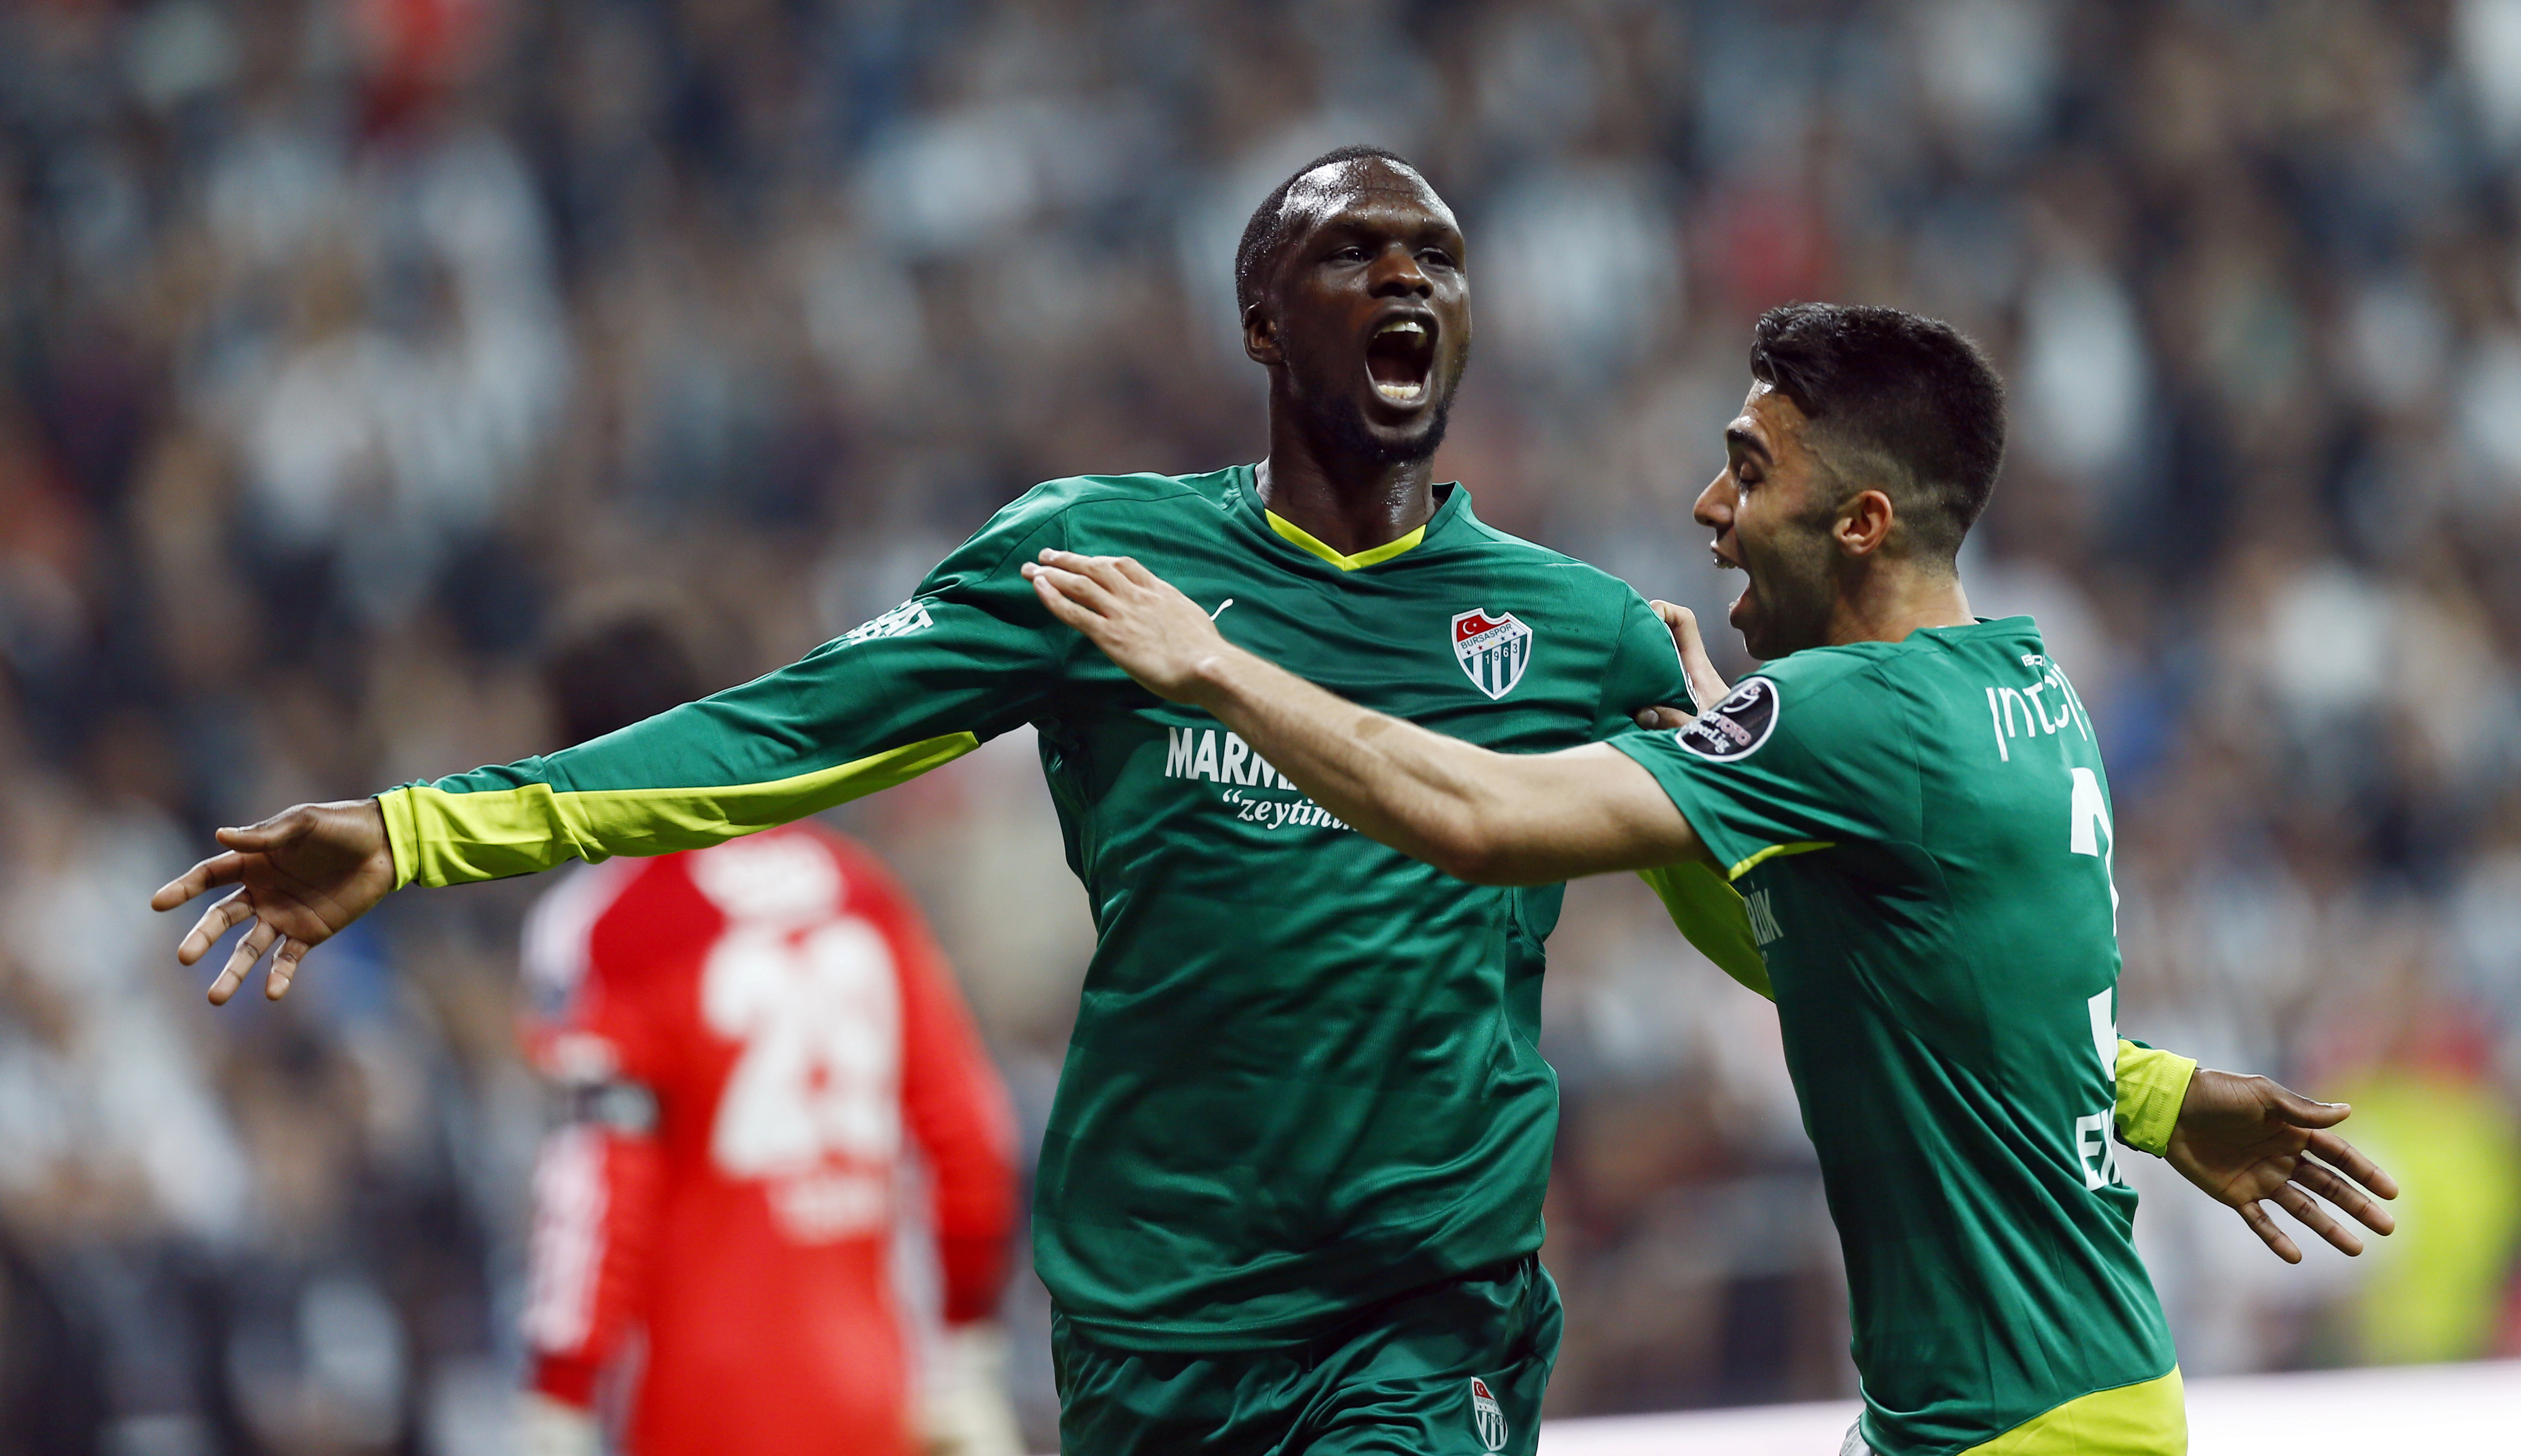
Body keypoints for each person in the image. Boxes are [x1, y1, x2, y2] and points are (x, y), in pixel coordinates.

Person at [152, 155, 2369, 1454]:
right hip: (1148, 1322)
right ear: (1260, 315)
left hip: (1424, 1313)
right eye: (1356, 253)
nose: (1414, 280)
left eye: (1445, 260)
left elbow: (1819, 935)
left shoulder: (1582, 633)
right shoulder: (1109, 570)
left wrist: (2150, 1094)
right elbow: (784, 730)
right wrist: (431, 827)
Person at [1013, 303, 2402, 1455]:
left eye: (1748, 467)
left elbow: (1482, 818)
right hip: (2021, 1399)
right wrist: (2153, 1095)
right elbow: (1911, 985)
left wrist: (1216, 667)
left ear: (1857, 521)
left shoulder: (1856, 720)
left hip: (2012, 1426)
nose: (1708, 505)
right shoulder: (2021, 686)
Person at [511, 615, 1023, 1456]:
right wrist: (967, 1352)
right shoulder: (856, 887)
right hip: (878, 1395)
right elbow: (970, 1133)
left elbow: (601, 1174)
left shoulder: (607, 924)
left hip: (706, 1405)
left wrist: (559, 1391)